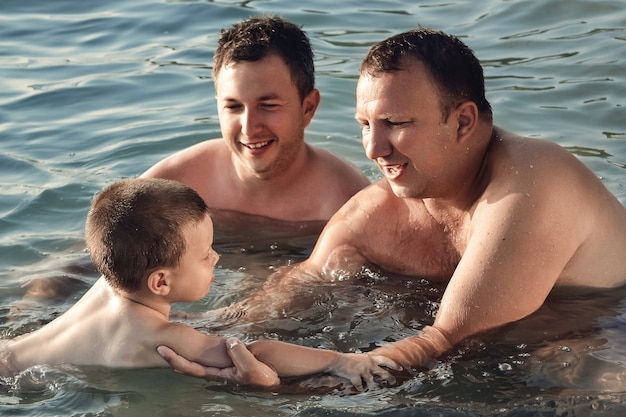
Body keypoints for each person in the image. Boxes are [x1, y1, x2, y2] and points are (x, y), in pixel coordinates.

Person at [159, 27, 626, 378]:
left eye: (395, 123)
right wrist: (176, 334)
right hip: (493, 350)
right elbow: (290, 292)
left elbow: (443, 343)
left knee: (588, 382)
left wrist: (279, 386)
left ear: (463, 121)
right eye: (365, 124)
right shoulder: (380, 208)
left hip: (606, 331)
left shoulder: (534, 182)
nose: (373, 149)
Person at [0, 178, 400, 390]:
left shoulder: (108, 286)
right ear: (160, 281)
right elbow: (252, 353)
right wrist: (343, 361)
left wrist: (203, 317)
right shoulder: (161, 336)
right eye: (205, 254)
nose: (216, 258)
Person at [142, 15, 369, 222]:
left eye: (268, 105)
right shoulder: (176, 185)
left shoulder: (348, 204)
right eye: (233, 106)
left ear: (308, 108)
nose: (249, 129)